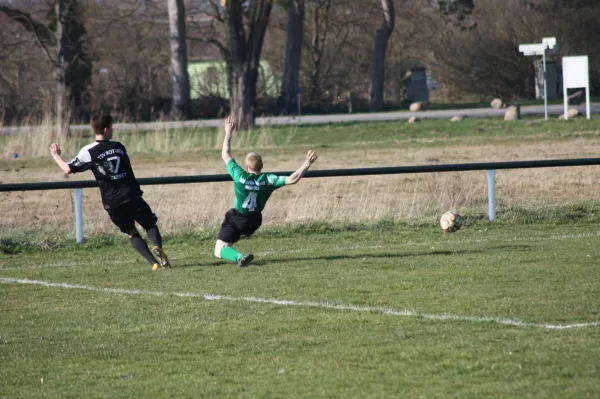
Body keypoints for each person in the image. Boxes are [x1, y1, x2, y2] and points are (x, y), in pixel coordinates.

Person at [50, 113, 171, 271]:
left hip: (112, 202)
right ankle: (156, 246)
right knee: (150, 224)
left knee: (131, 232)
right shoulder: (119, 147)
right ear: (106, 129)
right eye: (111, 127)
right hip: (131, 195)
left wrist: (56, 155)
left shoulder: (88, 151)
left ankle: (153, 263)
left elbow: (67, 168)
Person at [215, 116, 318, 267]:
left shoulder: (239, 175)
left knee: (219, 250)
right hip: (255, 221)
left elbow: (225, 154)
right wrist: (307, 163)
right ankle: (237, 254)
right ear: (262, 166)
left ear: (246, 166)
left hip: (238, 218)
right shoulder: (268, 179)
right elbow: (292, 179)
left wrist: (228, 133)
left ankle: (240, 257)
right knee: (228, 241)